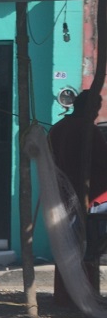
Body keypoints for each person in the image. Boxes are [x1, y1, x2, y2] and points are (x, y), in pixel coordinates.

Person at [48, 88, 107, 303]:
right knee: (86, 248)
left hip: (63, 198)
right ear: (90, 108)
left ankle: (65, 295)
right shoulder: (88, 131)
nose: (97, 113)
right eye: (97, 108)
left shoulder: (57, 129)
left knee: (68, 247)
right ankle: (83, 295)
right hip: (90, 200)